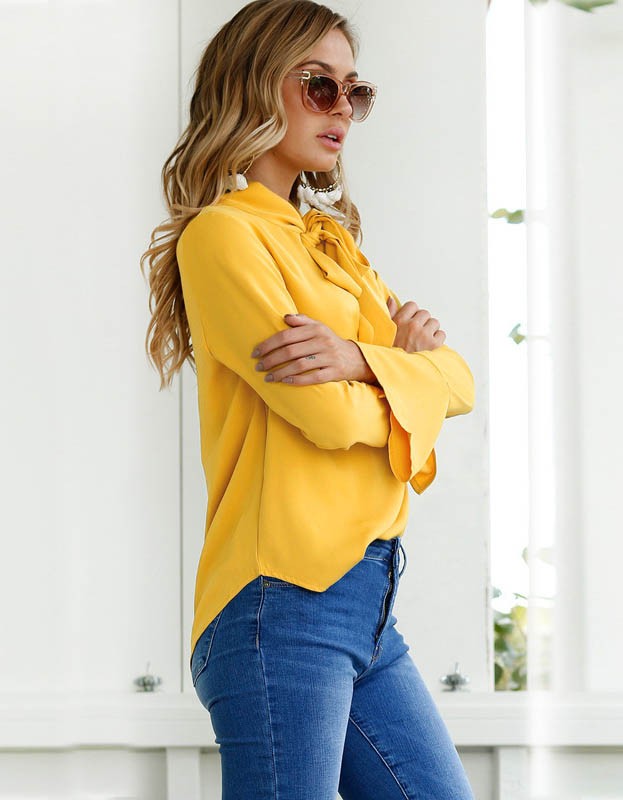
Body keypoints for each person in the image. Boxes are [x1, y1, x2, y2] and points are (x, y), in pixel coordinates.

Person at [140, 1, 476, 797]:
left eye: (354, 92)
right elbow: (324, 417)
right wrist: (402, 378)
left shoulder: (334, 246)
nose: (342, 110)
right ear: (254, 86)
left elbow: (459, 381)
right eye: (319, 85)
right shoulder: (224, 236)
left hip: (367, 603)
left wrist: (355, 359)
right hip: (280, 602)